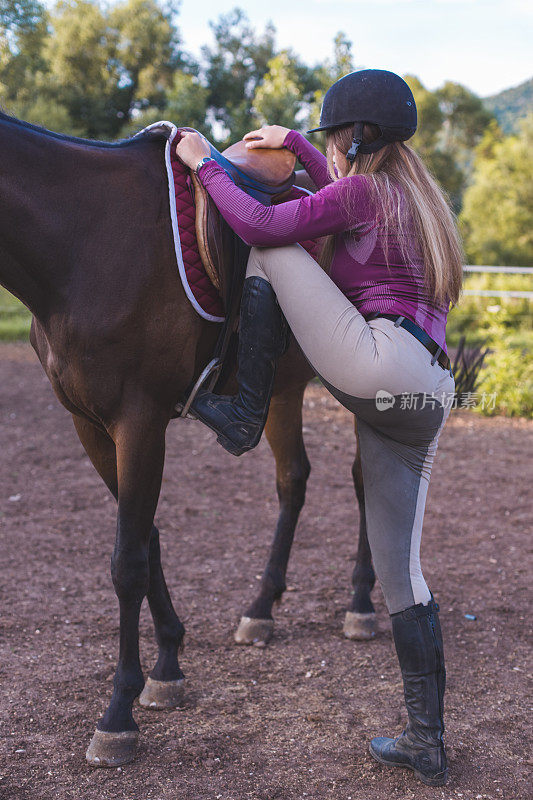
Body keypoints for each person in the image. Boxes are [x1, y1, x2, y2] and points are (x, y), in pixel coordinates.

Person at [175, 68, 463, 787]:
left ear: (357, 138)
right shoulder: (418, 202)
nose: (329, 150)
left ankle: (245, 413)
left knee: (274, 249)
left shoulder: (365, 190)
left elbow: (263, 223)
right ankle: (426, 740)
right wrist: (300, 144)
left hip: (379, 366)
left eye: (336, 138)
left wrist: (204, 159)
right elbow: (336, 190)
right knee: (402, 576)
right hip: (425, 392)